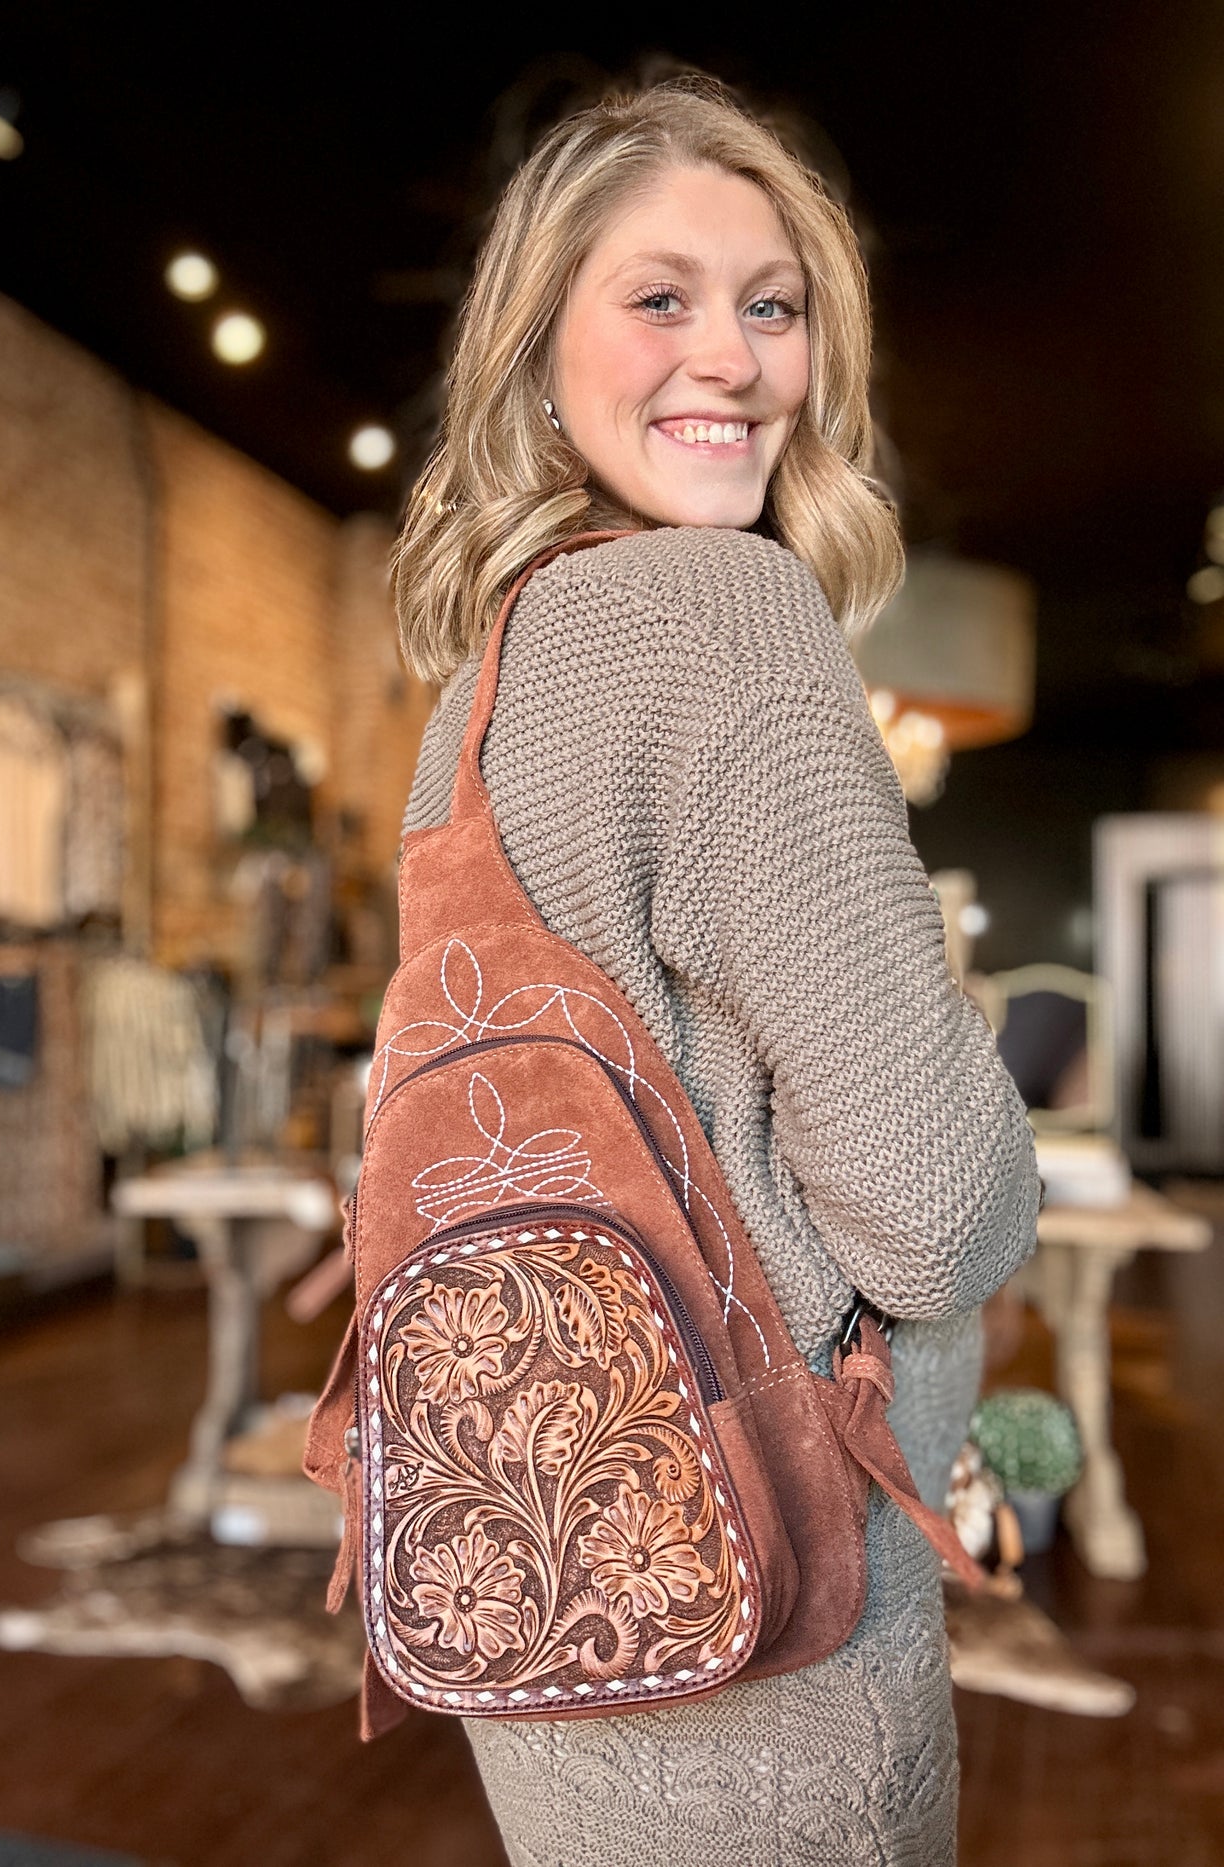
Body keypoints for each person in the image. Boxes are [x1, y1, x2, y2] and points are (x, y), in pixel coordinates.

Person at [391, 75, 1040, 1867]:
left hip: (540, 1550)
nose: (733, 359)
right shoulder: (724, 617)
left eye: (775, 305)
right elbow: (925, 1206)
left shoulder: (489, 679)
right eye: (660, 298)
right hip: (777, 1570)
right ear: (539, 353)